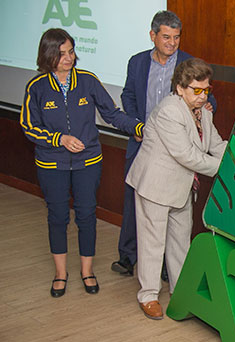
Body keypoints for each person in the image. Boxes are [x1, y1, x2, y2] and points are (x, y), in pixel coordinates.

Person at [20, 28, 144, 298]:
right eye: (61, 54)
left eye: (71, 51)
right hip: (52, 164)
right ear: (48, 56)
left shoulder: (88, 81)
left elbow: (112, 114)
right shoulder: (36, 87)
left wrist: (138, 127)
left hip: (88, 162)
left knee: (87, 215)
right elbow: (29, 126)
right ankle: (60, 273)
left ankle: (87, 271)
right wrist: (59, 139)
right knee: (58, 217)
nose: (69, 58)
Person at [112, 10, 217, 278]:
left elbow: (207, 101)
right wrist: (137, 125)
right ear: (153, 35)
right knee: (139, 206)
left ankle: (168, 273)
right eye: (166, 37)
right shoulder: (137, 62)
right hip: (145, 142)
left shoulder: (188, 65)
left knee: (174, 225)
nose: (172, 42)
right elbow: (128, 95)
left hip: (178, 150)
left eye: (176, 37)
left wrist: (205, 106)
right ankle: (129, 257)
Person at [126, 58, 226, 320]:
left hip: (182, 187)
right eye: (197, 90)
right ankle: (148, 295)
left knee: (181, 242)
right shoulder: (169, 110)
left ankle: (180, 291)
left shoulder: (203, 111)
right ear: (180, 88)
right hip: (155, 186)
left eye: (207, 90)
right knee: (153, 243)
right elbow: (187, 155)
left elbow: (216, 144)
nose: (203, 96)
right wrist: (225, 169)